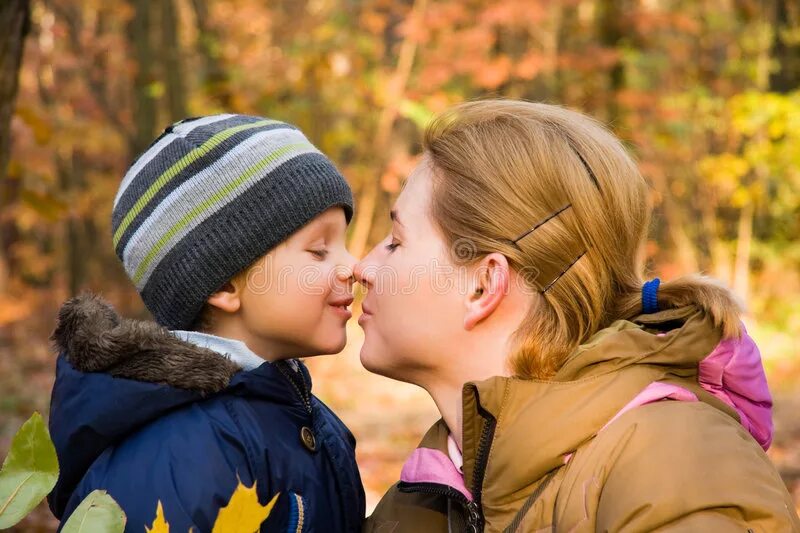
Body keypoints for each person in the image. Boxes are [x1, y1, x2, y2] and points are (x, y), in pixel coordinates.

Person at [356, 100, 800, 532]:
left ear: (483, 286)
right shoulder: (420, 501)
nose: (362, 269)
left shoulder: (678, 469)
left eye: (396, 241)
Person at [47, 114, 365, 532]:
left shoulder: (299, 414)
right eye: (319, 250)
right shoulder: (184, 453)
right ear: (225, 285)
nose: (354, 267)